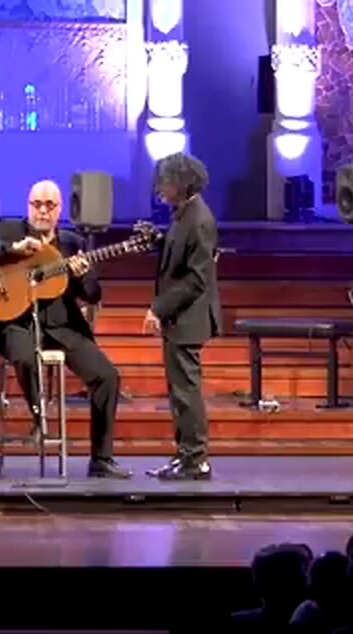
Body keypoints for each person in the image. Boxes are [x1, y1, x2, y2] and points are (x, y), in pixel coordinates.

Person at [0, 180, 131, 479]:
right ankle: (39, 416)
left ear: (60, 209)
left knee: (107, 376)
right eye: (36, 205)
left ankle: (101, 459)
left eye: (49, 205)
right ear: (28, 206)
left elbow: (93, 295)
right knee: (26, 357)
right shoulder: (11, 231)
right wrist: (10, 249)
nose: (42, 211)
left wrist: (81, 276)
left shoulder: (72, 243)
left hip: (63, 325)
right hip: (16, 322)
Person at [145, 152, 222, 480]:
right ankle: (185, 455)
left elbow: (196, 278)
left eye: (165, 182)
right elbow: (178, 254)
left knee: (186, 392)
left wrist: (158, 308)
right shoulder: (183, 214)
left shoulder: (200, 219)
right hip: (179, 320)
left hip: (187, 319)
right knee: (179, 391)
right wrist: (157, 240)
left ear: (181, 182)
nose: (160, 189)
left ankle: (195, 459)